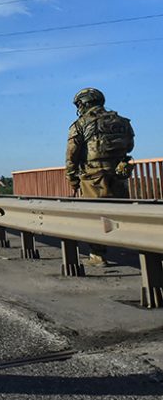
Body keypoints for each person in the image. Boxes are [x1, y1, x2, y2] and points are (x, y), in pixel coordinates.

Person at [65, 87, 135, 266]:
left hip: (93, 177)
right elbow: (130, 146)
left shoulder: (80, 124)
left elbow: (72, 155)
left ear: (85, 103)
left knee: (95, 216)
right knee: (120, 211)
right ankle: (135, 244)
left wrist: (73, 179)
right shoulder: (122, 121)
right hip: (119, 173)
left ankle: (98, 255)